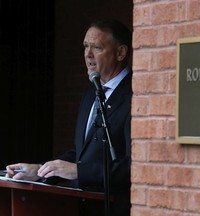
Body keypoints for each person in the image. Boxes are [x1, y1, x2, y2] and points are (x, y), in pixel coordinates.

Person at [5, 19, 133, 216]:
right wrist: (41, 171)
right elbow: (82, 153)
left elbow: (134, 166)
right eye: (85, 46)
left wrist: (78, 172)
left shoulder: (137, 95)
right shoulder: (91, 92)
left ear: (120, 53)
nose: (88, 54)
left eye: (96, 47)